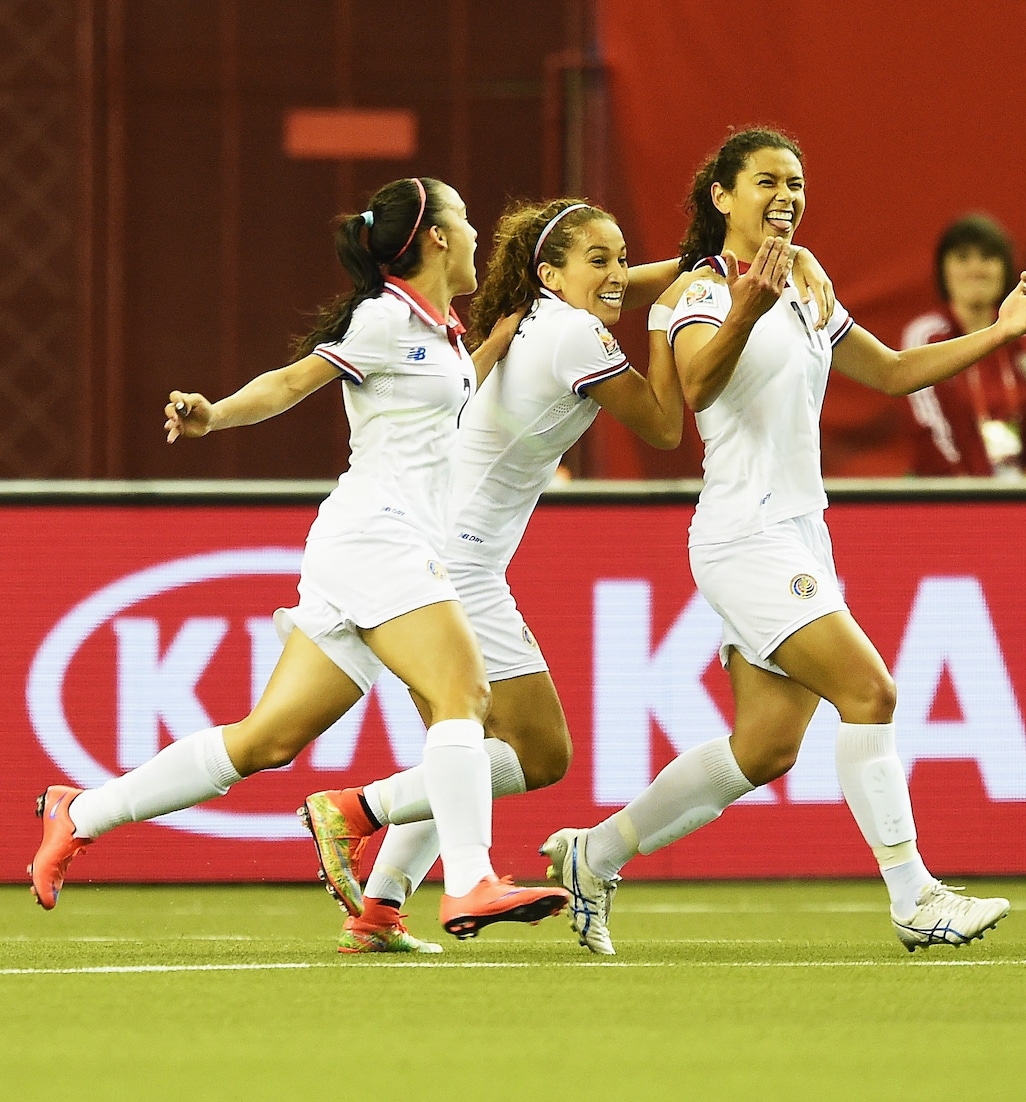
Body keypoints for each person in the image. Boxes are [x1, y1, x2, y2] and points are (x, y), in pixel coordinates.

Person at [539, 126, 1026, 954]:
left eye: (799, 184)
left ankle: (593, 856)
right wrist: (749, 304)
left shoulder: (806, 284)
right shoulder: (698, 292)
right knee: (871, 693)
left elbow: (889, 372)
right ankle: (914, 895)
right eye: (769, 181)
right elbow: (696, 387)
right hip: (746, 536)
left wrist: (999, 332)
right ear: (723, 196)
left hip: (801, 533)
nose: (788, 196)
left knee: (765, 749)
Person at [30, 176, 572, 939]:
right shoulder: (384, 318)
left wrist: (494, 342)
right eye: (466, 218)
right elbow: (292, 382)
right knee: (464, 694)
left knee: (266, 740)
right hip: (376, 538)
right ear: (438, 237)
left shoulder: (441, 332)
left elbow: (441, 394)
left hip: (367, 548)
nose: (480, 233)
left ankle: (79, 810)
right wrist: (213, 415)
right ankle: (471, 881)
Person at [297, 198, 839, 953]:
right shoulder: (577, 335)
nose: (621, 274)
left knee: (467, 748)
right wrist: (666, 322)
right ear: (551, 272)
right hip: (459, 563)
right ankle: (353, 809)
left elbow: (646, 280)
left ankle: (380, 906)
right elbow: (661, 424)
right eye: (602, 260)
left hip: (436, 548)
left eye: (624, 257)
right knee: (539, 752)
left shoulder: (541, 315)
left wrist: (729, 265)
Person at [901, 213, 1026, 478]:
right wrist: (975, 500)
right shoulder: (925, 337)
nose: (976, 269)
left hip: (1019, 498)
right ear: (943, 269)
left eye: (988, 257)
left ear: (1006, 269)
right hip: (948, 499)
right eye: (963, 258)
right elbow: (928, 430)